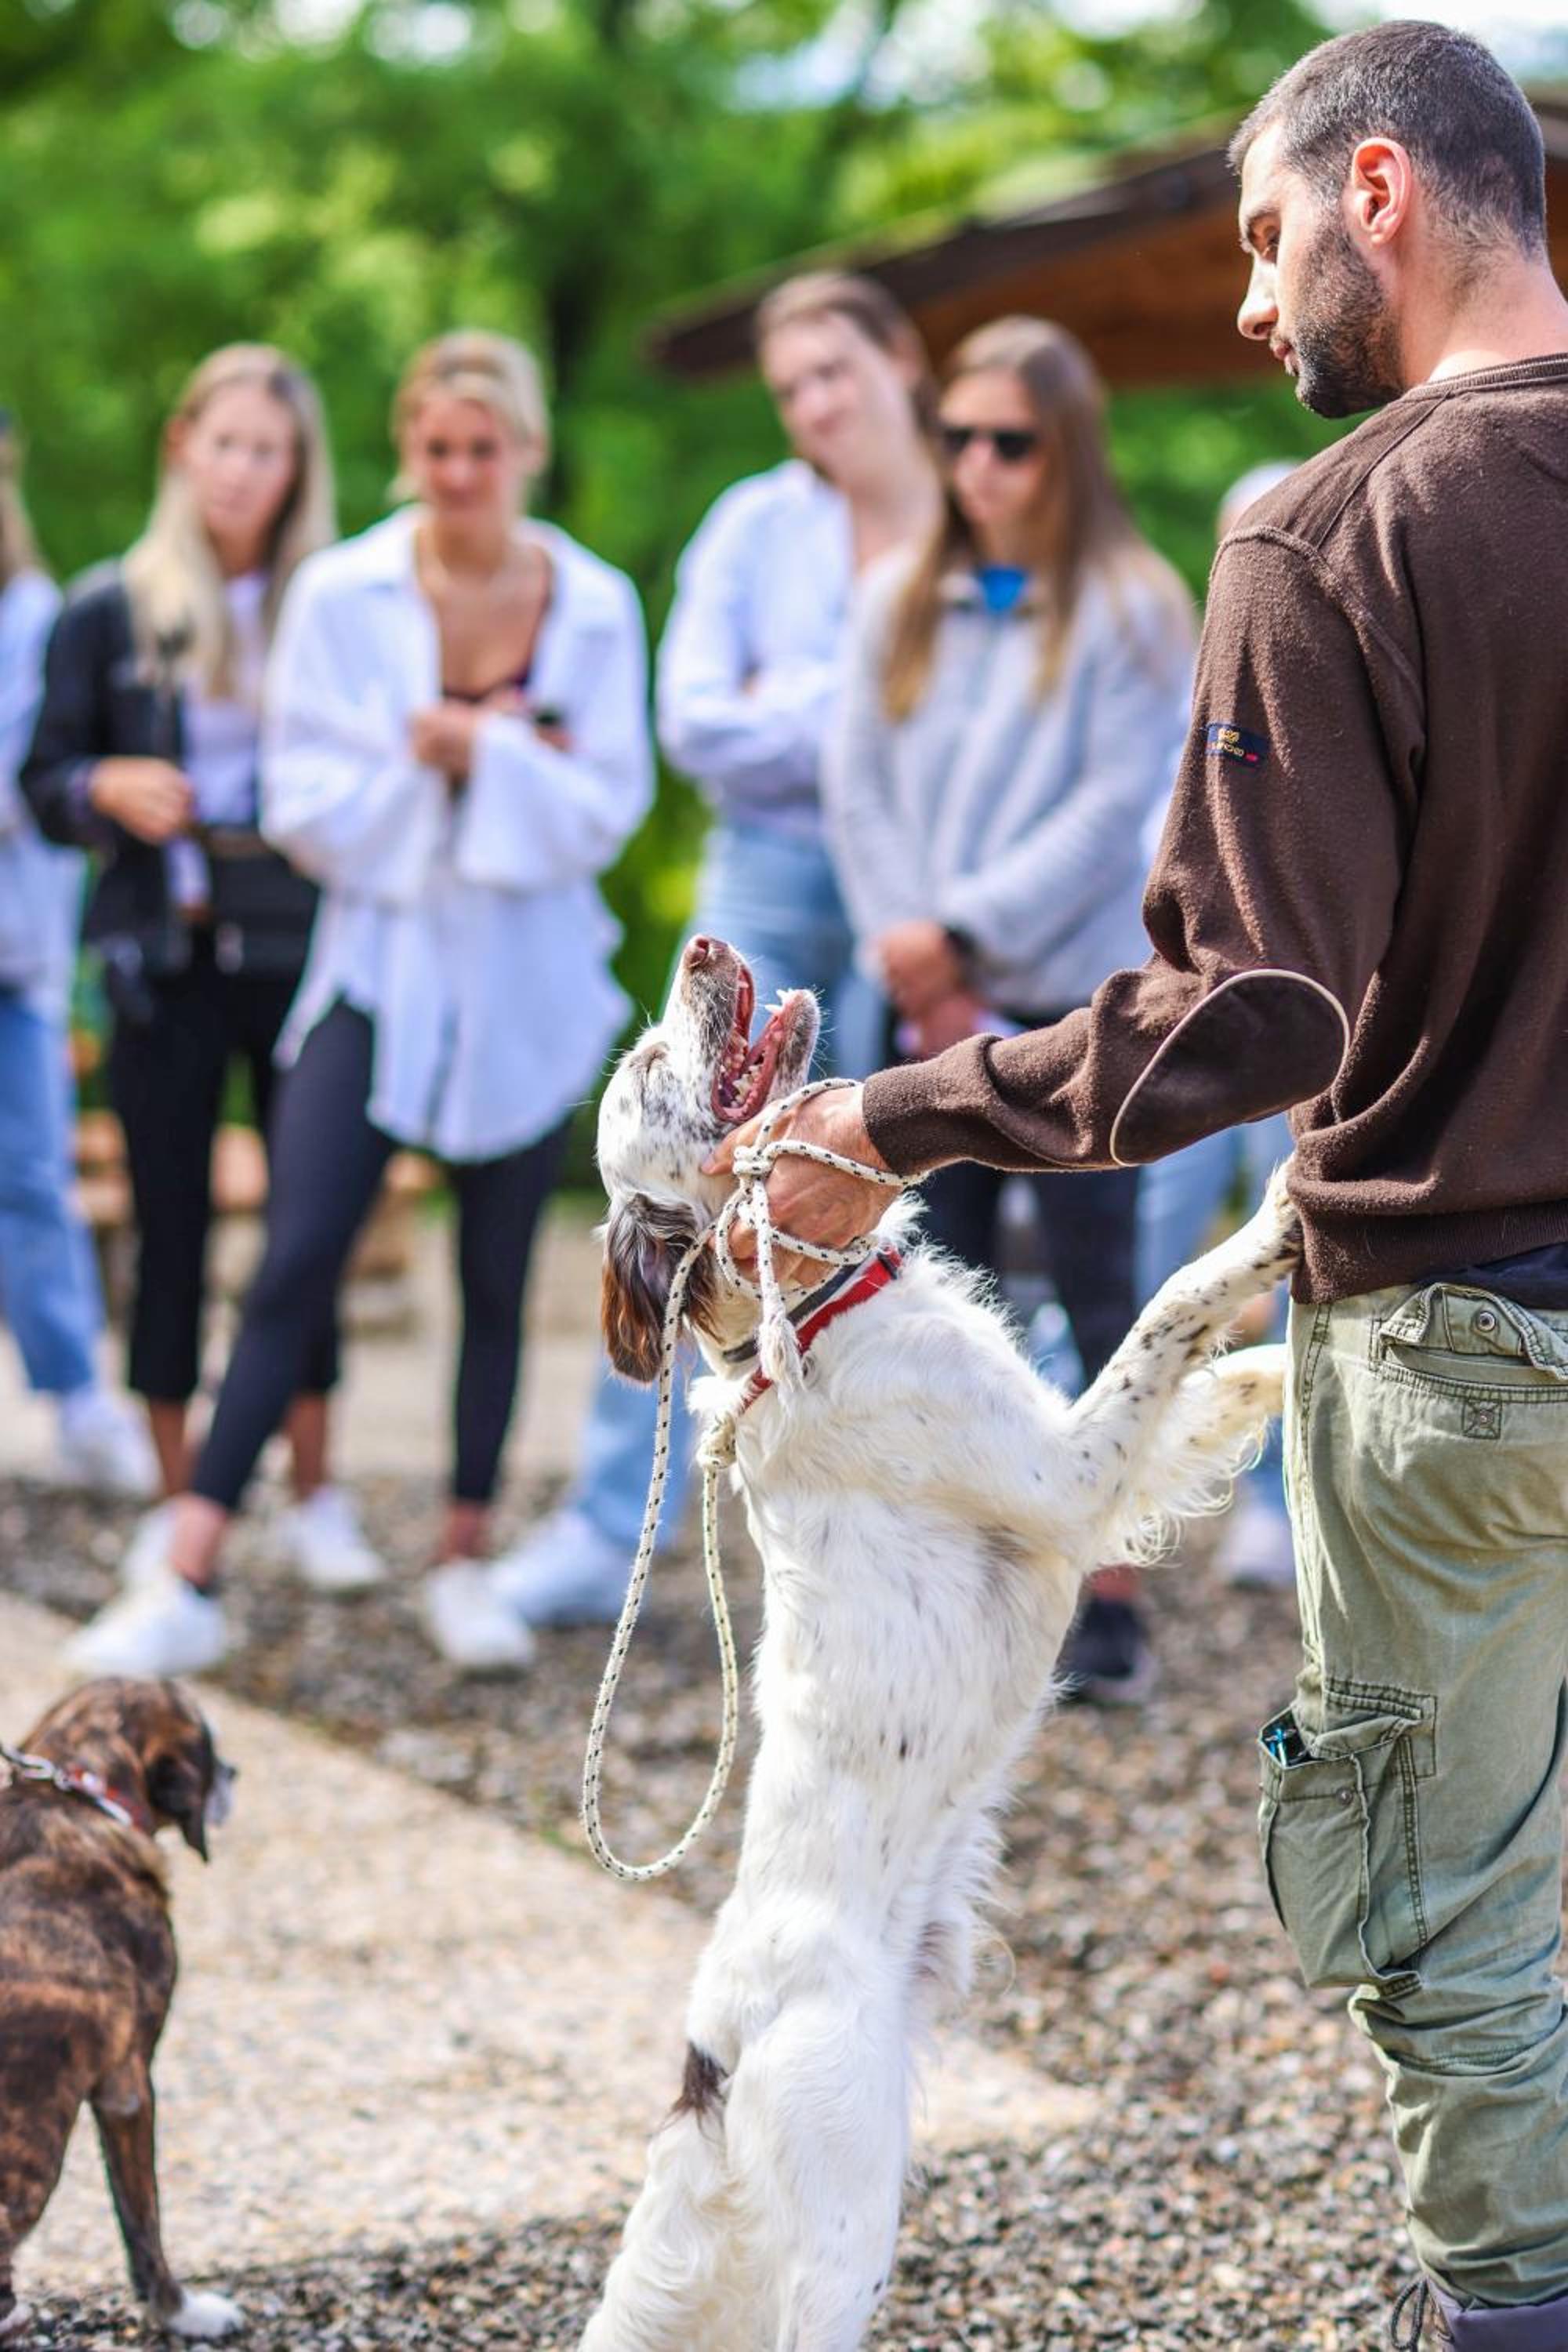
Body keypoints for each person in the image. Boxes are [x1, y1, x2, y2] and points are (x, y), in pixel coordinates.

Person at [710, 27, 1568, 2346]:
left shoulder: (1337, 526)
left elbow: (1253, 1013)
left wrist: (879, 1120)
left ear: (1383, 186)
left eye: (1274, 239)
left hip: (1466, 1337)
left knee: (1459, 1905)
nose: (1257, 306)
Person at [61, 328, 654, 1679]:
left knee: (495, 1275)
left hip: (527, 971)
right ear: (406, 452)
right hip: (379, 959)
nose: (457, 475)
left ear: (527, 452)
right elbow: (303, 802)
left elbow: (606, 807)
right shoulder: (341, 595)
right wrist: (460, 763)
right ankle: (192, 1559)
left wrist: (472, 750)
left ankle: (463, 1555)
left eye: (483, 450)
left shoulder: (598, 602)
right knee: (295, 1252)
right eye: (436, 449)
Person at [467, 273, 941, 1655]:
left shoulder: (971, 515)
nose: (811, 407)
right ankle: (613, 1524)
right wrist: (861, 698)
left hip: (924, 886)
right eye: (789, 387)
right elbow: (697, 727)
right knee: (671, 1192)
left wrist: (808, 715)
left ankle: (885, 1545)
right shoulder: (753, 525)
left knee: (904, 1190)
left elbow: (974, 724)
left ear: (902, 360)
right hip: (773, 877)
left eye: (834, 373)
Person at [823, 315, 1194, 1700]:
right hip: (922, 1006)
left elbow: (1113, 815)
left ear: (1067, 452)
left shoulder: (1135, 607)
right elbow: (853, 788)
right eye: (958, 438)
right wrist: (913, 955)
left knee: (1098, 1293)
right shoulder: (894, 600)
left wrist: (967, 939)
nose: (979, 466)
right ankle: (953, 1581)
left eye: (1011, 443)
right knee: (928, 1297)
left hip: (1071, 1009)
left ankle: (1109, 1588)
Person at [20, 345, 370, 1583]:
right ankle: (183, 1504)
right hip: (159, 954)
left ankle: (318, 1491)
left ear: (295, 469)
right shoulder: (110, 608)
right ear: (183, 447)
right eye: (223, 443)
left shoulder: (333, 603)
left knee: (307, 1226)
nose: (241, 471)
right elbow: (44, 779)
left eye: (266, 450)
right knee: (168, 1227)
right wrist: (105, 784)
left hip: (301, 947)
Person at [1134, 461, 1301, 1594]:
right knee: (1154, 1228)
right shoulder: (1182, 701)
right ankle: (1124, 1463)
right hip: (1179, 1029)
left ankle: (1273, 1493)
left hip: (1293, 1032)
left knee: (1292, 1243)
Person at [0, 411, 152, 1496]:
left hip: (14, 953)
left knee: (32, 1179)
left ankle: (79, 1400)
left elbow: (35, 780)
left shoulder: (33, 615)